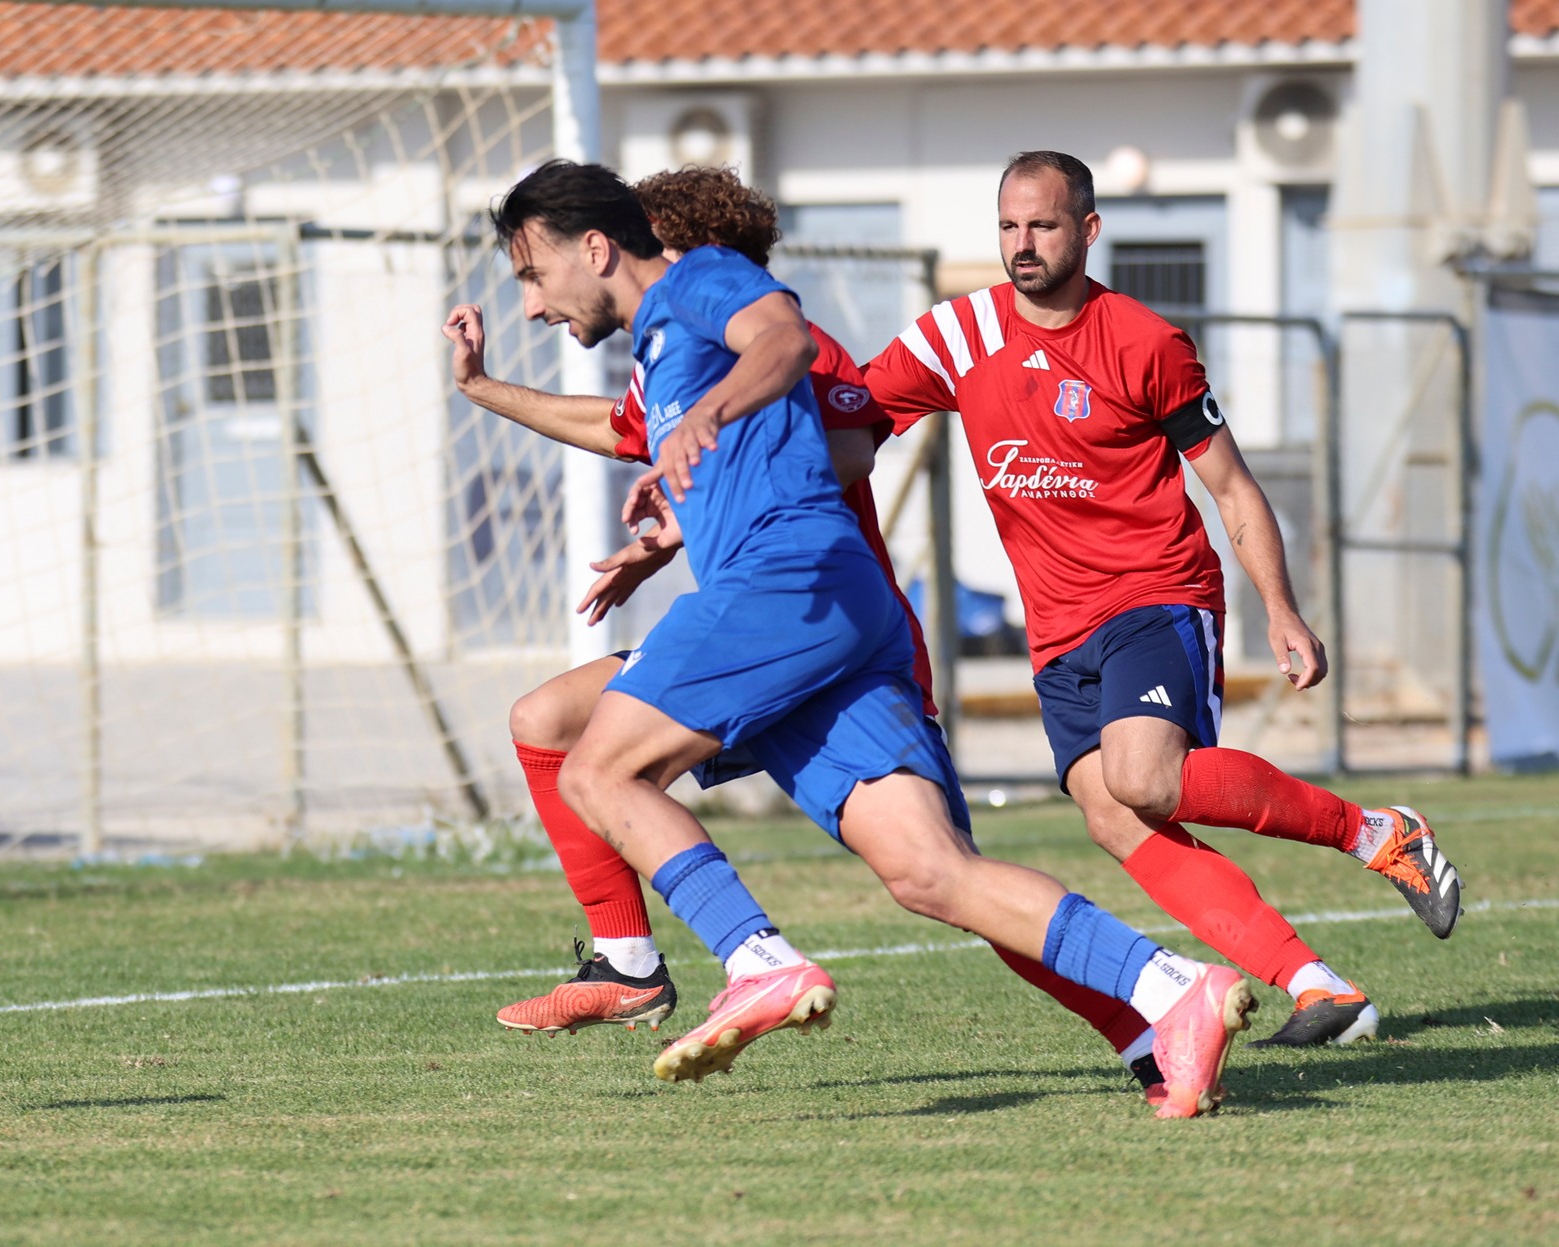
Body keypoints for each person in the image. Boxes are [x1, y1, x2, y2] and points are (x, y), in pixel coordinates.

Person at [489, 158, 1251, 1117]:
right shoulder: (661, 344)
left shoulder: (701, 282)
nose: (529, 302)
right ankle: (1171, 995)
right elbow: (670, 431)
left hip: (790, 591)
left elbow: (783, 340)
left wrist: (710, 425)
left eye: (531, 273)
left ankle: (739, 958)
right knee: (932, 873)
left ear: (602, 245)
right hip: (825, 615)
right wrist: (659, 502)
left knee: (597, 770)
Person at [856, 150, 1463, 1046]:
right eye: (1009, 227)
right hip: (1056, 631)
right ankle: (1320, 987)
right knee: (1115, 815)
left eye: (1045, 226)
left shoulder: (1144, 340)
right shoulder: (959, 337)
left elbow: (1235, 490)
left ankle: (1375, 830)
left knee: (1145, 778)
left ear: (1088, 231)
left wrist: (1281, 608)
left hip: (1157, 593)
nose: (1023, 245)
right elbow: (843, 414)